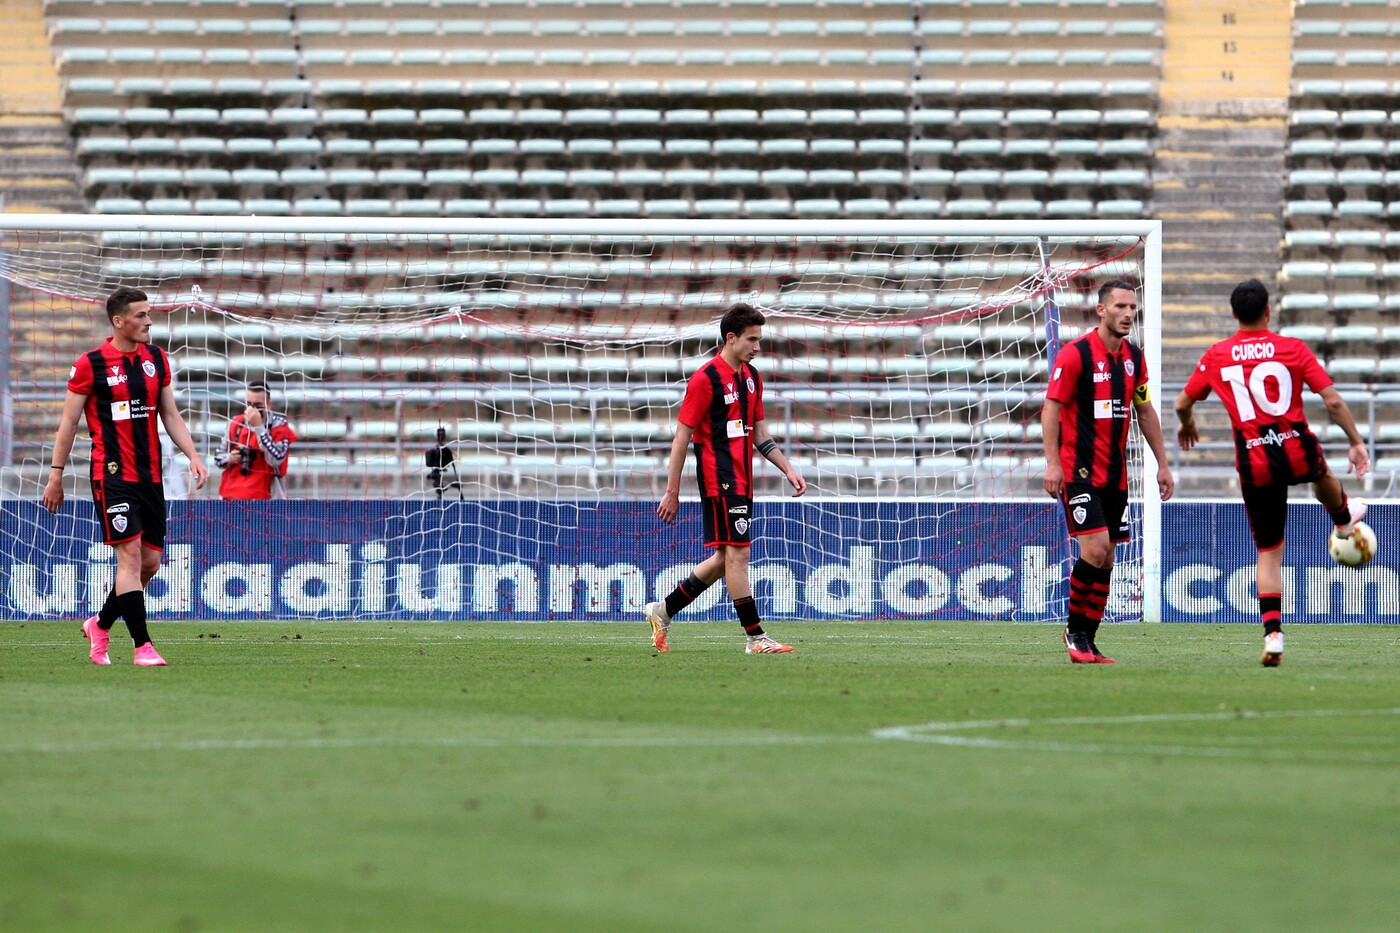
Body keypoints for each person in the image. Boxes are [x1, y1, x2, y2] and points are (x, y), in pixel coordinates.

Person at [1175, 278, 1369, 667]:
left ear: (1233, 314)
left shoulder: (1217, 355)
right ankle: (1344, 521)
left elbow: (1182, 402)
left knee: (1268, 553)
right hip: (1294, 445)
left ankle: (1274, 635)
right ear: (1269, 310)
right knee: (1322, 474)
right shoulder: (1292, 349)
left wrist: (1187, 424)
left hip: (1253, 458)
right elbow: (1331, 400)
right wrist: (1356, 441)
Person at [41, 286, 209, 666]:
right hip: (111, 473)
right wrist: (56, 475)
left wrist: (193, 455)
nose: (149, 321)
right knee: (129, 559)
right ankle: (142, 646)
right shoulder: (91, 364)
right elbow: (68, 423)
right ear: (119, 321)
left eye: (149, 314)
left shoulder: (156, 359)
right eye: (141, 315)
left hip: (150, 475)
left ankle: (99, 624)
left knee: (149, 564)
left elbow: (170, 414)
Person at [644, 303, 808, 654]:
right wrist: (672, 492)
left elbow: (760, 434)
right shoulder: (706, 379)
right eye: (752, 339)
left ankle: (664, 609)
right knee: (739, 555)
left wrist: (788, 469)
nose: (757, 347)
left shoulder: (752, 378)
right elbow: (681, 437)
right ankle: (755, 637)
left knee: (725, 560)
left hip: (742, 480)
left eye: (759, 339)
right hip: (719, 479)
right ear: (730, 338)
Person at [1043, 279, 1175, 663]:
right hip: (1078, 470)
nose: (1128, 314)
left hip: (1116, 475)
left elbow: (1145, 410)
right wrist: (1053, 463)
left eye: (1133, 308)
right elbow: (1051, 408)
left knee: (1109, 558)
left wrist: (1163, 464)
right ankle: (1073, 630)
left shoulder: (1134, 358)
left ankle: (1088, 638)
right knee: (1096, 549)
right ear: (1101, 310)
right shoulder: (1075, 355)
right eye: (1120, 307)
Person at [214, 382, 296, 500]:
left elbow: (276, 459)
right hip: (231, 498)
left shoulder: (279, 425)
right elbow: (217, 459)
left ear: (269, 404)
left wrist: (259, 427)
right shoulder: (236, 422)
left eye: (258, 405)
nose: (253, 409)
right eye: (249, 404)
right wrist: (230, 458)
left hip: (267, 501)